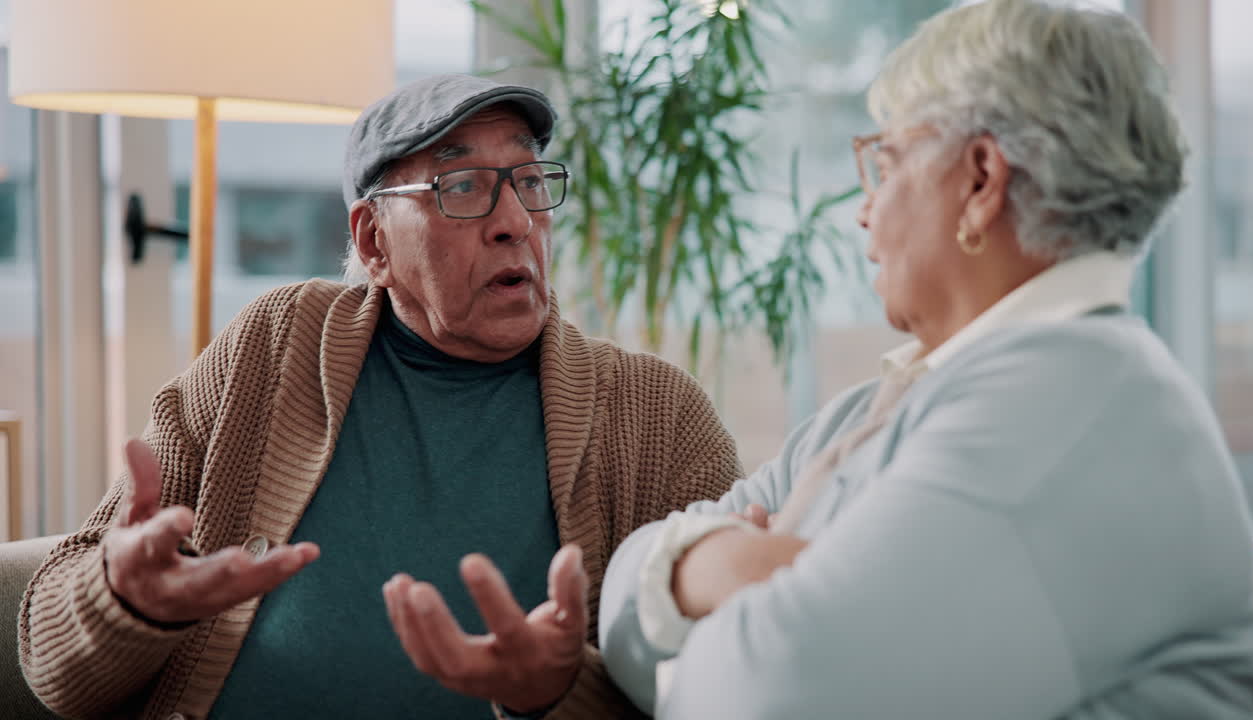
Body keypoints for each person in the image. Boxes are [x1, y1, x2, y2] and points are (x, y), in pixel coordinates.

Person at [597, 1, 1253, 717]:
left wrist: (698, 581)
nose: (865, 209)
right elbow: (617, 601)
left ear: (982, 179)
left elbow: (758, 700)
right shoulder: (893, 399)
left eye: (885, 162)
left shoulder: (1064, 411)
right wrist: (713, 570)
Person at [19, 73, 741, 720]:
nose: (515, 221)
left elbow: (736, 682)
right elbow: (54, 673)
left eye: (527, 180)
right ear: (372, 243)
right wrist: (124, 602)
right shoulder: (275, 347)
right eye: (461, 188)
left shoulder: (658, 417)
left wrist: (556, 693)